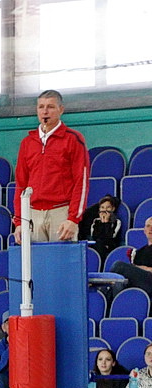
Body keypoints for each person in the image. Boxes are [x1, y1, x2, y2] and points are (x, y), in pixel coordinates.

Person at [13, 90, 89, 244]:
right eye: (41, 107)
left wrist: (73, 218)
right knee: (35, 260)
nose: (45, 111)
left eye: (50, 107)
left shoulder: (73, 139)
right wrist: (19, 221)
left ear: (61, 110)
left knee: (62, 259)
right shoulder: (27, 143)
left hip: (61, 212)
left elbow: (81, 181)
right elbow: (21, 184)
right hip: (32, 214)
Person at [108, 216, 152, 298]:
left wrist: (146, 268)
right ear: (144, 230)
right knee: (118, 282)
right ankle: (116, 302)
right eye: (148, 226)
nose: (150, 229)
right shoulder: (139, 252)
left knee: (119, 266)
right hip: (139, 283)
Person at [78, 195, 123, 263]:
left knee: (101, 245)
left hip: (111, 245)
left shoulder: (117, 222)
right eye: (102, 207)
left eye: (108, 207)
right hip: (98, 245)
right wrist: (102, 223)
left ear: (113, 209)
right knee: (98, 244)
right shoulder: (96, 221)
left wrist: (106, 223)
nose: (105, 210)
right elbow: (95, 236)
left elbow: (111, 237)